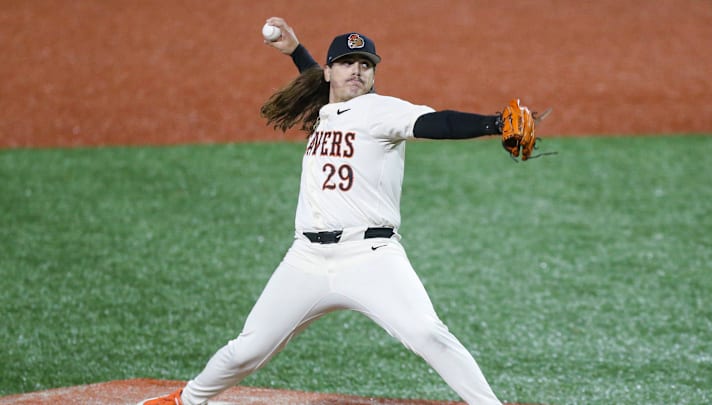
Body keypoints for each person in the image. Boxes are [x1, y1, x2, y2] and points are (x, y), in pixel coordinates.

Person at [138, 16, 511, 405]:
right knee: (248, 348)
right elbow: (321, 87)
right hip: (307, 260)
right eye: (348, 62)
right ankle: (188, 400)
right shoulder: (325, 111)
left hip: (370, 257)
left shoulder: (381, 111)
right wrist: (296, 52)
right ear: (329, 71)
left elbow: (439, 122)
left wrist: (494, 123)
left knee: (427, 334)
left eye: (365, 64)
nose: (357, 70)